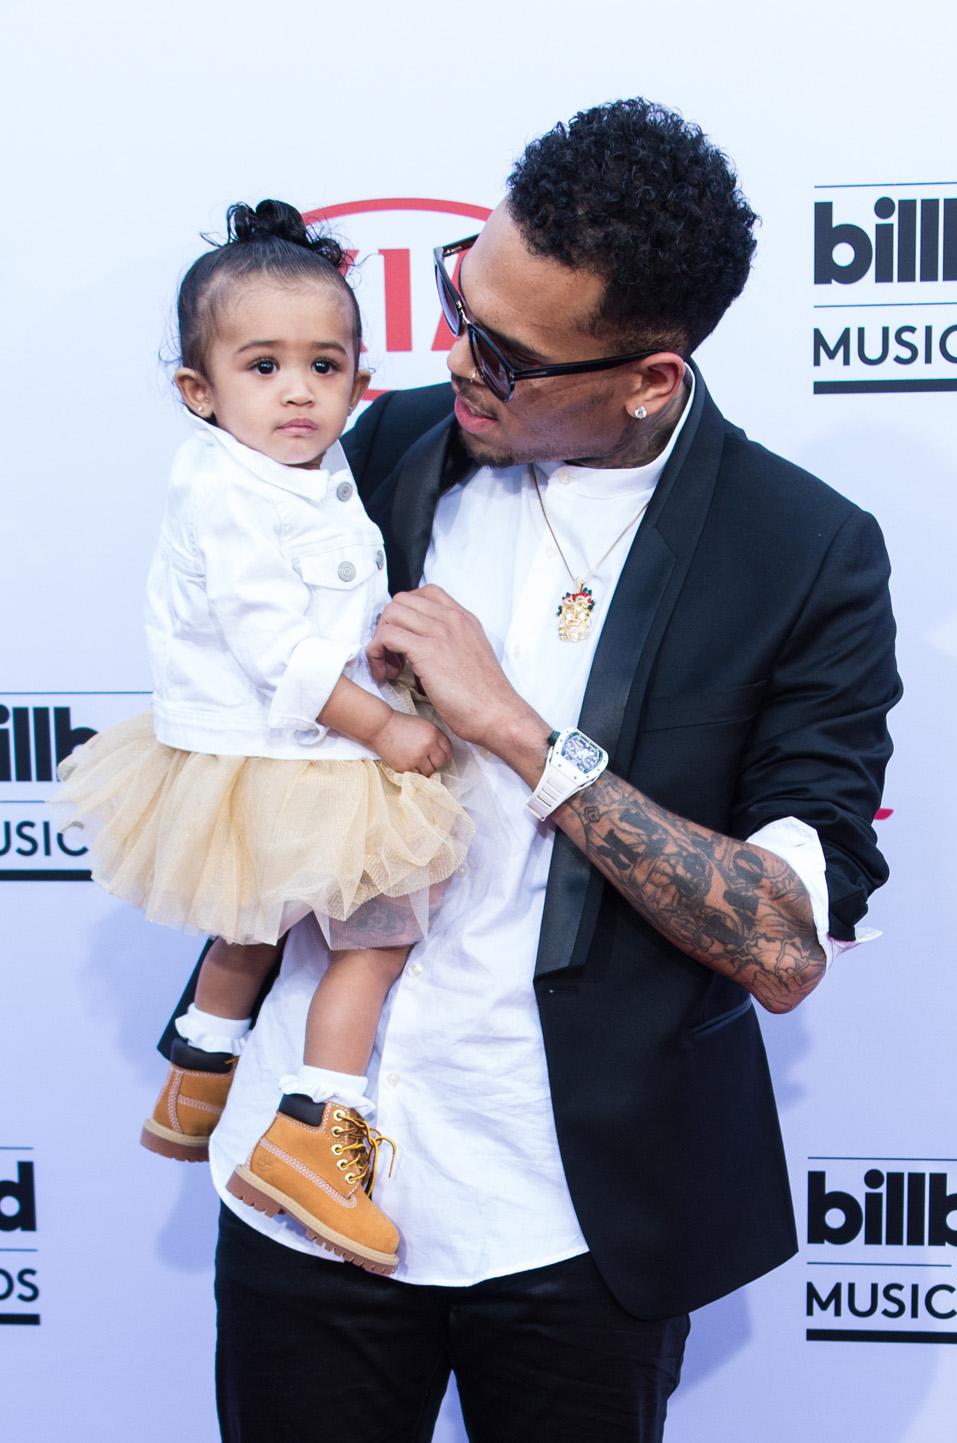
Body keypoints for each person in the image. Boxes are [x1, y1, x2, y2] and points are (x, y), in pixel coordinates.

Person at [161, 101, 900, 1443]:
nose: (457, 357)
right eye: (459, 298)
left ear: (649, 379)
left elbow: (786, 948)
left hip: (568, 1223)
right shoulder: (373, 449)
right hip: (303, 1176)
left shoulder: (799, 553)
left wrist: (521, 733)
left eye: (505, 350)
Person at [54, 200, 474, 1275]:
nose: (298, 391)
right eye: (262, 366)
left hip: (258, 757)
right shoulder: (234, 492)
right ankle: (314, 1139)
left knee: (251, 920)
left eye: (324, 365)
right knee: (374, 939)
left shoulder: (288, 465)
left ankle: (199, 1076)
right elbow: (275, 652)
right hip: (300, 748)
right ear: (199, 392)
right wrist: (385, 727)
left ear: (356, 378)